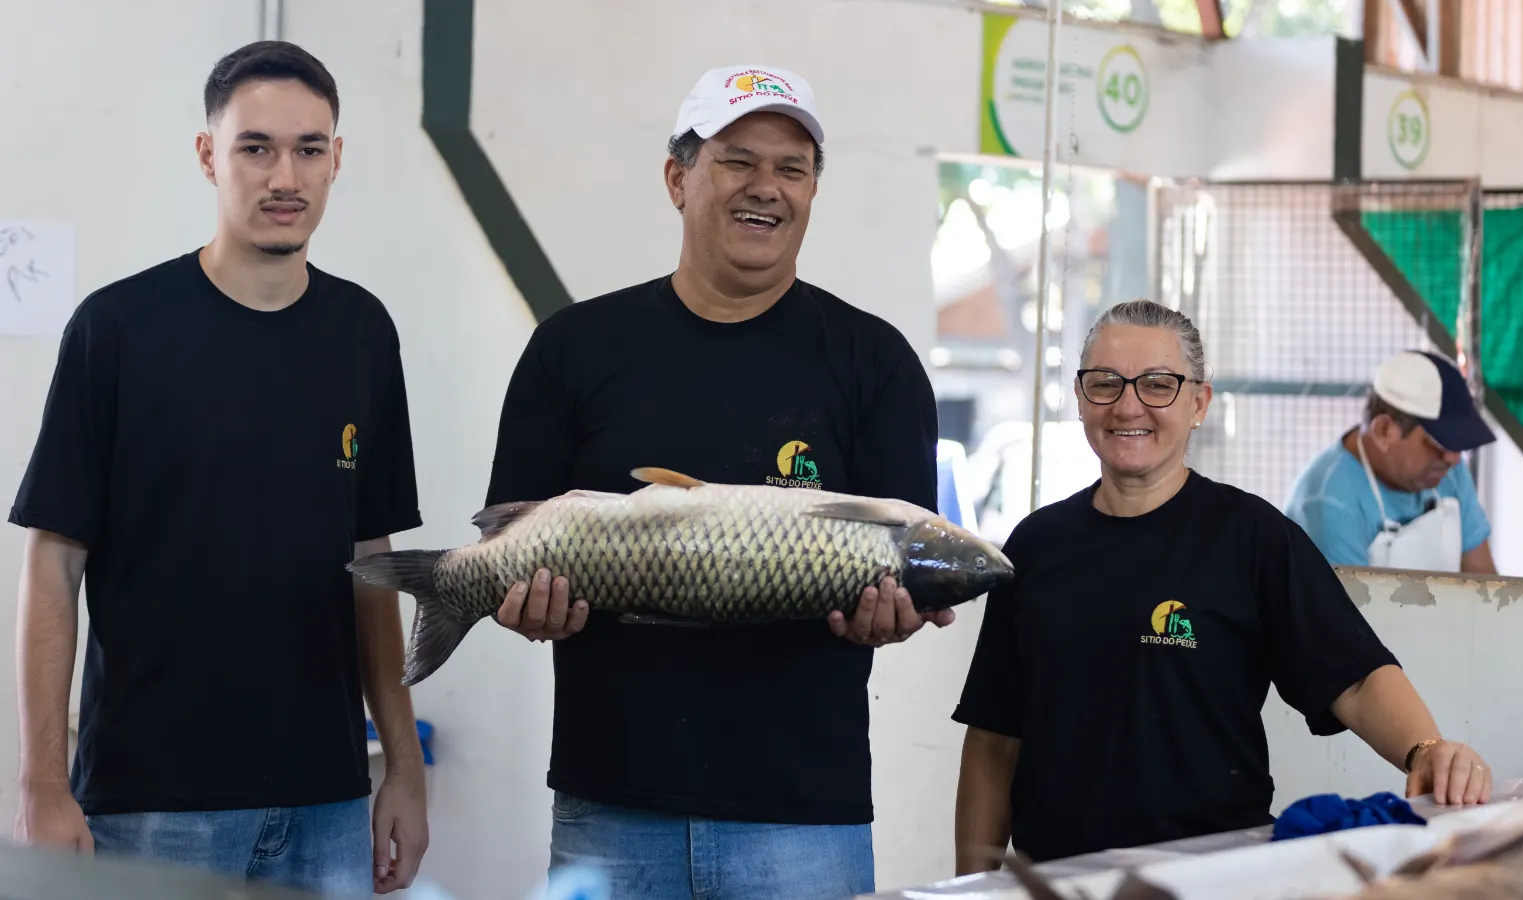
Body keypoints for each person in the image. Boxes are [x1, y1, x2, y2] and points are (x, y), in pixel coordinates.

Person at [483, 64, 948, 899]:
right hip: (611, 802)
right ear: (678, 178)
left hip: (803, 815)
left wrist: (896, 616)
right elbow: (505, 542)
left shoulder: (875, 363)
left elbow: (904, 570)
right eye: (737, 159)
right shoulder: (573, 349)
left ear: (812, 190)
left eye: (792, 168)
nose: (765, 187)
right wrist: (518, 601)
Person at [9, 41, 428, 896]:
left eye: (310, 148)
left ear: (337, 159)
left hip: (327, 799)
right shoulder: (117, 329)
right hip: (152, 803)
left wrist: (404, 768)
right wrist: (42, 784)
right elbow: (53, 564)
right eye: (256, 147)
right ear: (209, 155)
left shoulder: (363, 332)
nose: (286, 174)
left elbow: (371, 562)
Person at [950, 300, 1492, 875]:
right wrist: (971, 888)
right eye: (1105, 383)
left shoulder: (1251, 538)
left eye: (1158, 384)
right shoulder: (1035, 545)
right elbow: (994, 740)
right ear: (1081, 397)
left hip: (1212, 876)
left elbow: (1354, 678)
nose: (1129, 405)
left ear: (1199, 403)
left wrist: (1428, 750)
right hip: (1057, 881)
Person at [1283, 349, 1497, 574]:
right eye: (1438, 444)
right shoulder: (1329, 505)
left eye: (1457, 445)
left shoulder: (1447, 469)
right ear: (1384, 431)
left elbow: (1483, 582)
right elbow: (1341, 608)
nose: (1453, 459)